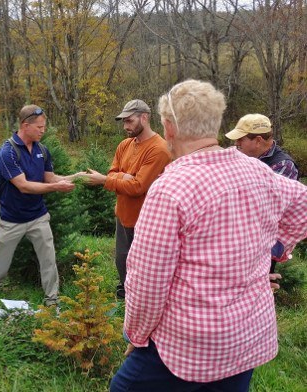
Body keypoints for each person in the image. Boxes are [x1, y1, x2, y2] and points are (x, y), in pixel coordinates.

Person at [110, 80, 307, 391]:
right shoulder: (256, 170)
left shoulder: (171, 188)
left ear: (169, 126)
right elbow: (302, 203)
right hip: (246, 336)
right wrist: (277, 248)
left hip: (188, 343)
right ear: (215, 123)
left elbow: (147, 281)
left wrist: (137, 335)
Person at [0, 105, 79, 306]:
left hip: (38, 216)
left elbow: (50, 177)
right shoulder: (7, 153)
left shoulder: (42, 150)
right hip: (11, 218)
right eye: (39, 127)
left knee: (48, 258)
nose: (43, 131)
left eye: (44, 127)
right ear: (25, 125)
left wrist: (75, 177)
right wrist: (57, 188)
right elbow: (22, 186)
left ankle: (52, 298)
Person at [83, 99, 171, 298]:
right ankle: (124, 293)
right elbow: (113, 171)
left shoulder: (159, 149)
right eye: (124, 122)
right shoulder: (124, 145)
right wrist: (122, 177)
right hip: (123, 214)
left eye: (129, 121)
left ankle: (142, 298)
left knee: (144, 264)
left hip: (146, 218)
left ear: (144, 118)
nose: (125, 126)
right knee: (122, 259)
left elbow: (138, 187)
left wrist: (107, 180)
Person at [226, 113, 299, 277]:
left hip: (265, 243)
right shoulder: (245, 159)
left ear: (258, 140)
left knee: (260, 286)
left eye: (241, 139)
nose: (237, 144)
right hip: (244, 239)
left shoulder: (282, 166)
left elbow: (265, 208)